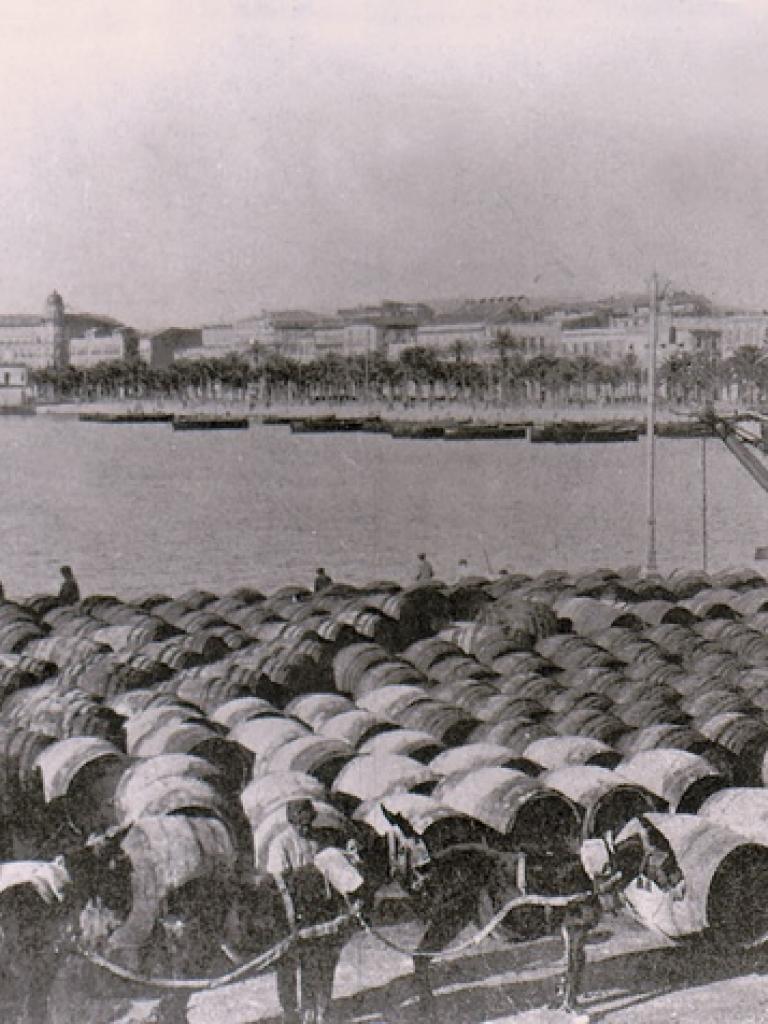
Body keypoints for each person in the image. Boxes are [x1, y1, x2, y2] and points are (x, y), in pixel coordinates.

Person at [267, 799, 338, 1024]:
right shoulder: (281, 843)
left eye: (308, 823)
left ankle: (314, 1012)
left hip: (315, 910)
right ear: (291, 822)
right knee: (287, 966)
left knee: (314, 961)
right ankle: (289, 1013)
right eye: (300, 824)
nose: (305, 828)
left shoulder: (318, 840)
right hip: (287, 912)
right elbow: (279, 881)